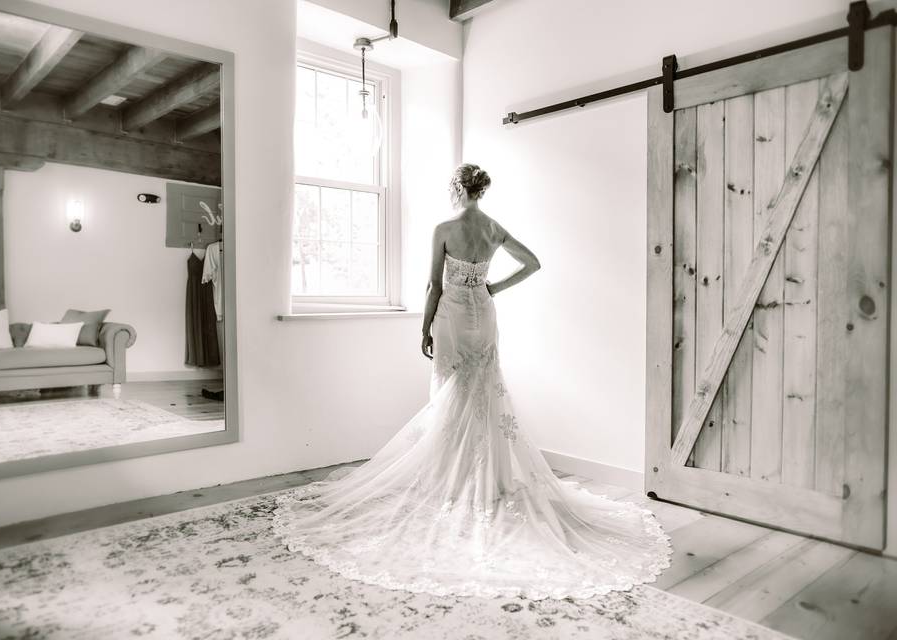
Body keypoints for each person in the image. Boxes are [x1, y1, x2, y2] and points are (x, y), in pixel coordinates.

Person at [272, 164, 671, 600]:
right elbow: (533, 263)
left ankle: (449, 482)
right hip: (484, 314)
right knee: (483, 395)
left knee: (449, 393)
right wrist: (492, 288)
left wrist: (425, 328)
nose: (450, 192)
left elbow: (432, 285)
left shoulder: (445, 227)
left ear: (460, 188)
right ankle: (486, 480)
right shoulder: (494, 228)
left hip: (453, 317)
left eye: (451, 186)